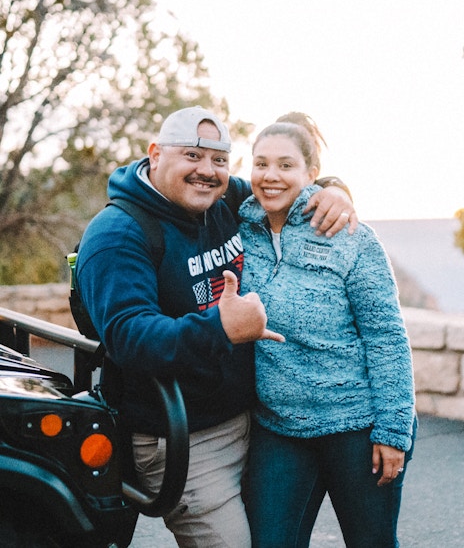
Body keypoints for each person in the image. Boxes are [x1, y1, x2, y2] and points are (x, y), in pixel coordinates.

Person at [75, 106, 356, 548]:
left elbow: (285, 189)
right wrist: (220, 327)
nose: (207, 171)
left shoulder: (227, 201)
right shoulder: (117, 233)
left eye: (219, 160)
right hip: (184, 439)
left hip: (256, 423)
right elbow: (130, 338)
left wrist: (334, 189)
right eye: (192, 155)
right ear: (155, 154)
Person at [239, 120, 416, 548]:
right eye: (261, 163)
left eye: (286, 164)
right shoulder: (239, 228)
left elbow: (387, 336)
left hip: (357, 427)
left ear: (311, 172)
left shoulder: (349, 236)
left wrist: (393, 432)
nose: (271, 175)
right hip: (279, 430)